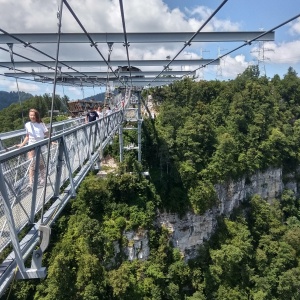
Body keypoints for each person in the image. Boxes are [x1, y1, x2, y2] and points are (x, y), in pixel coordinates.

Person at [17, 109, 49, 188]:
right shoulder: (27, 124)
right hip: (31, 146)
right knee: (31, 165)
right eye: (30, 115)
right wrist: (22, 144)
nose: (32, 117)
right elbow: (27, 136)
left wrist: (51, 141)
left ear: (36, 116)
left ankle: (42, 179)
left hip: (41, 145)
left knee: (41, 164)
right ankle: (31, 183)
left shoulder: (41, 124)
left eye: (33, 115)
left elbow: (47, 134)